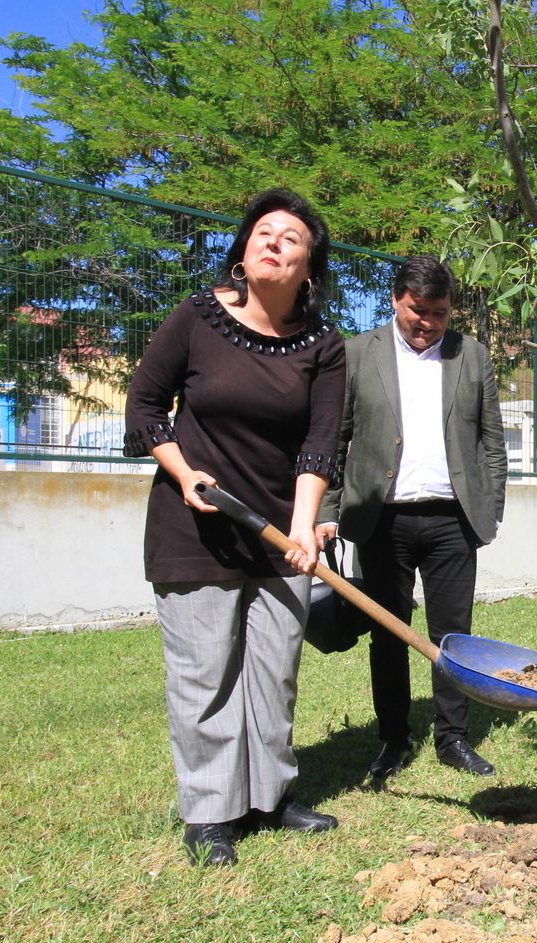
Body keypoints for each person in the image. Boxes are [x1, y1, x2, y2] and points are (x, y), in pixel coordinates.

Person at [124, 188, 345, 868]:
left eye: (291, 237)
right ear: (243, 252)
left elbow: (320, 444)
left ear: (308, 269)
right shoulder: (197, 317)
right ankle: (211, 813)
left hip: (279, 532)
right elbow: (144, 405)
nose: (274, 241)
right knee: (206, 675)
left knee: (274, 674)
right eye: (263, 232)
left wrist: (304, 527)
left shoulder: (324, 345)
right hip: (198, 527)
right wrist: (183, 471)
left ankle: (269, 797)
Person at [319, 256, 508, 780]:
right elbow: (335, 440)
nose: (427, 322)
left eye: (439, 313)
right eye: (417, 310)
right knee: (388, 633)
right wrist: (327, 511)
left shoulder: (472, 356)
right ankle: (394, 739)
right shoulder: (358, 353)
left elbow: (492, 441)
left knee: (454, 637)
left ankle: (453, 737)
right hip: (382, 520)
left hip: (453, 520)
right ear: (395, 300)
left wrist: (489, 509)